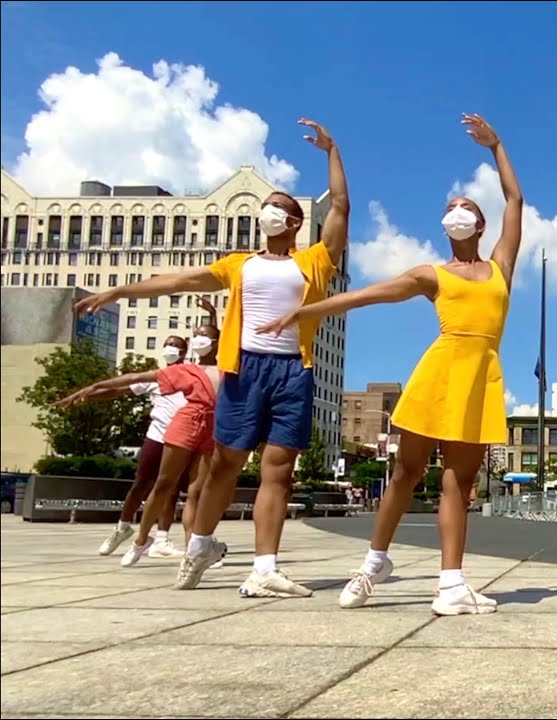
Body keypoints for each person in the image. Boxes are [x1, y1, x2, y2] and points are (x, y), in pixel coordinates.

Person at [74, 118, 350, 597]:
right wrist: (122, 288)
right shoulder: (238, 264)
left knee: (278, 468)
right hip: (243, 368)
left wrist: (332, 151)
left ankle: (265, 568)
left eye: (280, 208)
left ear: (297, 222)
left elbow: (342, 206)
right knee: (226, 463)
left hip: (292, 370)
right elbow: (179, 281)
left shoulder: (314, 261)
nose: (270, 212)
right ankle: (200, 545)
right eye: (266, 207)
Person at [257, 114, 519, 615]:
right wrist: (305, 311)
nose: (457, 212)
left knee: (458, 484)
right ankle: (373, 562)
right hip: (439, 373)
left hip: (480, 378)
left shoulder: (500, 266)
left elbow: (515, 202)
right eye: (451, 208)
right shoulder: (431, 274)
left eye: (467, 208)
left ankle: (451, 585)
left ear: (481, 226)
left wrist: (496, 146)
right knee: (404, 472)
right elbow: (368, 295)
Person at [57, 324, 223, 567]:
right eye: (195, 335)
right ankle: (136, 537)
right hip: (172, 432)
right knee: (156, 484)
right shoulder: (185, 371)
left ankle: (192, 549)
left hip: (211, 430)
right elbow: (132, 380)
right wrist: (90, 390)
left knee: (195, 492)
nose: (198, 339)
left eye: (203, 336)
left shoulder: (228, 368)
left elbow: (227, 329)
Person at [92, 334, 190, 562]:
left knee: (170, 487)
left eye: (176, 346)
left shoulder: (191, 375)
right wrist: (89, 394)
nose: (170, 348)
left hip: (181, 438)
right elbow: (120, 390)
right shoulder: (156, 377)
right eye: (168, 344)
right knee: (141, 483)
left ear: (185, 352)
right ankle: (122, 527)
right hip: (156, 435)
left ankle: (161, 540)